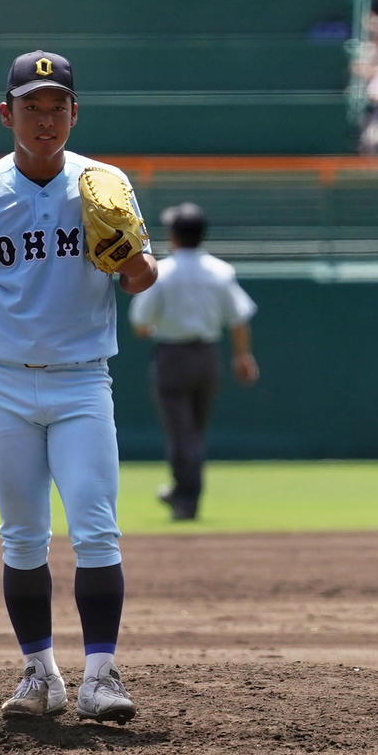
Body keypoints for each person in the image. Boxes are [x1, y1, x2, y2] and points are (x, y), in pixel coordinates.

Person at [0, 49, 157, 722]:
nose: (46, 121)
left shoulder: (104, 184)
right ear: (7, 114)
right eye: (32, 108)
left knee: (96, 529)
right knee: (22, 537)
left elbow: (142, 282)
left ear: (75, 113)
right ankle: (40, 673)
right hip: (7, 387)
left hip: (84, 383)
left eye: (58, 109)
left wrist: (129, 259)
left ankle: (102, 676)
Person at [128, 202, 259, 521]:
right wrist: (243, 356)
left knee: (180, 433)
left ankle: (186, 498)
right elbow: (239, 319)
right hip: (206, 355)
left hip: (172, 355)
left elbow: (140, 323)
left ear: (174, 235)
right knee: (194, 432)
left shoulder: (162, 272)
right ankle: (183, 492)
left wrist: (155, 328)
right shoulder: (220, 271)